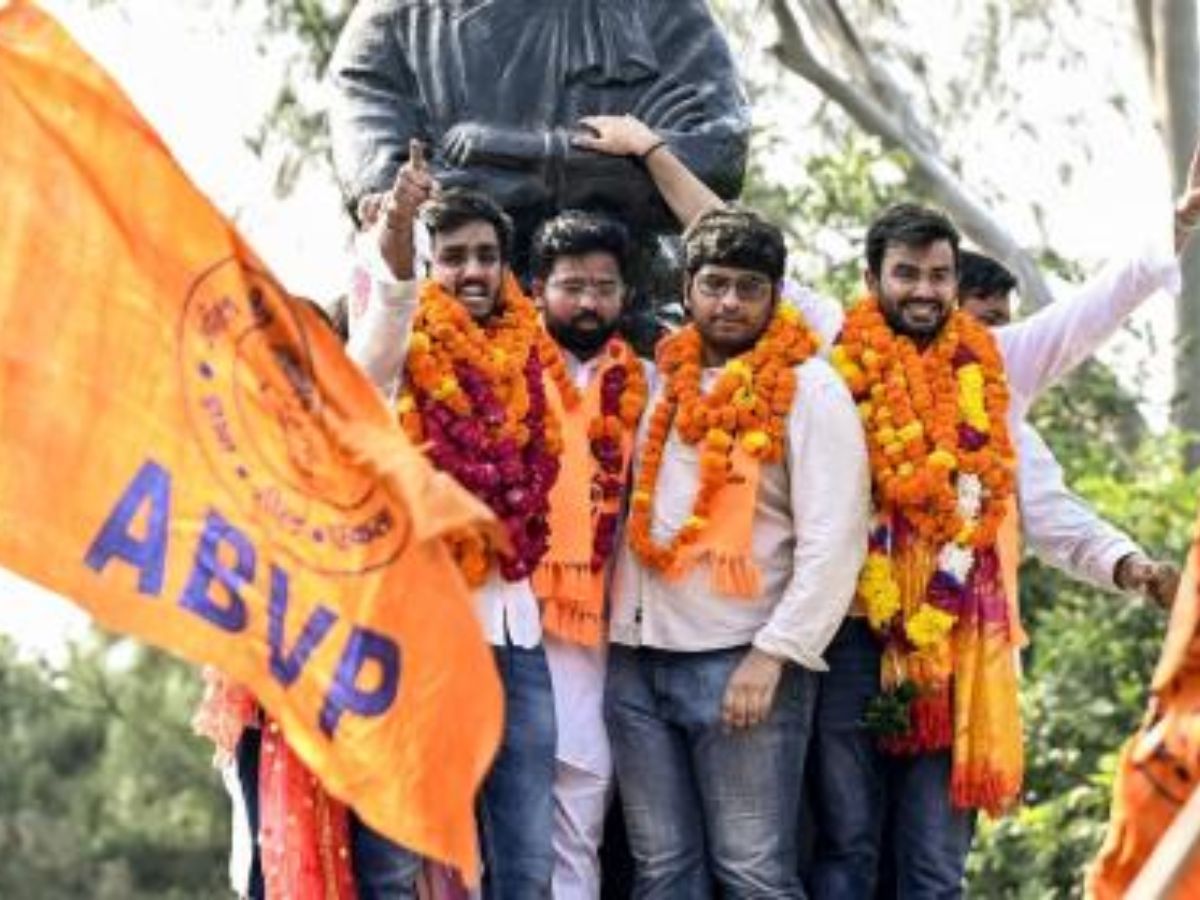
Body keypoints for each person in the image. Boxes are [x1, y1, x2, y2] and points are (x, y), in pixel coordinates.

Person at [816, 189, 1199, 897]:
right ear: (872, 281)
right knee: (846, 852)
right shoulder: (834, 355)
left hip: (958, 651)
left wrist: (1175, 225)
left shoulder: (993, 366)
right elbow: (749, 270)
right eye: (907, 274)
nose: (924, 291)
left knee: (931, 865)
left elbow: (1089, 312)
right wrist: (654, 151)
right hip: (848, 636)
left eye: (939, 276)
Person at [603, 204, 871, 897]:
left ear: (776, 296)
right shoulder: (657, 379)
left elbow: (835, 541)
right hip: (634, 660)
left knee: (752, 875)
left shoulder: (810, 388)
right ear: (686, 289)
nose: (729, 302)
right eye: (715, 284)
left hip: (742, 662)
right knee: (663, 873)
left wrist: (773, 655)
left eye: (749, 288)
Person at [349, 147, 558, 899]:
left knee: (527, 867)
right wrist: (399, 225)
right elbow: (387, 309)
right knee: (396, 865)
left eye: (486, 257)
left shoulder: (527, 354)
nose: (472, 271)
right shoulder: (398, 351)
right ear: (430, 265)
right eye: (454, 257)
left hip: (515, 637)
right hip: (416, 639)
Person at [328, 0, 749, 269]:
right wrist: (633, 162)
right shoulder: (389, 24)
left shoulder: (660, 11)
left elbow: (717, 159)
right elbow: (388, 194)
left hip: (632, 311)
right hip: (452, 315)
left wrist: (534, 156)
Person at [524, 210, 650, 900]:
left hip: (598, 623)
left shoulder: (650, 384)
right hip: (505, 613)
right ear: (537, 289)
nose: (589, 303)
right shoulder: (500, 372)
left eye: (604, 287)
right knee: (501, 800)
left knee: (583, 787)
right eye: (572, 286)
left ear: (625, 295)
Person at [957, 249, 1178, 607]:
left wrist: (1128, 565)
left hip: (970, 625)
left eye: (1006, 327)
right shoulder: (873, 388)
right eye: (989, 323)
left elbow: (1056, 520)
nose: (1001, 342)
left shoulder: (1006, 428)